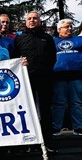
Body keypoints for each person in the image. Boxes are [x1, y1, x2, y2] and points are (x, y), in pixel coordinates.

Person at [12, 11, 56, 148]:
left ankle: (47, 140)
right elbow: (14, 58)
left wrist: (46, 70)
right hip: (27, 79)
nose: (32, 20)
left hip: (44, 78)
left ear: (39, 21)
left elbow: (53, 57)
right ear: (26, 21)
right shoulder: (19, 38)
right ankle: (29, 140)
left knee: (45, 109)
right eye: (29, 18)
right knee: (26, 108)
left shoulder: (47, 38)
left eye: (35, 18)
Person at [52, 19, 82, 136]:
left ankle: (78, 127)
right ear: (59, 29)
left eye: (71, 26)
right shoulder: (52, 41)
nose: (70, 28)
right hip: (58, 77)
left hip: (77, 76)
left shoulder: (80, 40)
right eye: (66, 27)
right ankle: (56, 128)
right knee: (59, 103)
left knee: (76, 102)